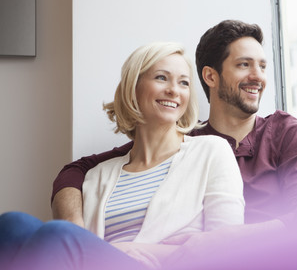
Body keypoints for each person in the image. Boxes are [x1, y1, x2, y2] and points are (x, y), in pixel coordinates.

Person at [51, 20, 297, 236]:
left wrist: (222, 241)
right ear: (211, 76)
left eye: (262, 66)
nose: (258, 76)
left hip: (291, 251)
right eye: (244, 64)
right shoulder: (186, 143)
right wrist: (75, 232)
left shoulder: (283, 131)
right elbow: (82, 168)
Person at [0, 42, 244, 270]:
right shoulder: (96, 176)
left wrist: (134, 250)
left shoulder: (212, 151)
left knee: (58, 235)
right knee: (12, 224)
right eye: (162, 78)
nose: (173, 90)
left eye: (184, 83)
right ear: (133, 87)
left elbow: (226, 248)